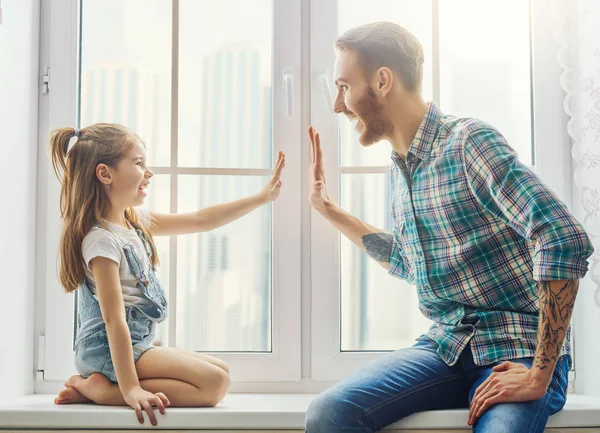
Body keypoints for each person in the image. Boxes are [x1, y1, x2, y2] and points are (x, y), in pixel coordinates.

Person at [305, 21, 593, 433]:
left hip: (518, 349)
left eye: (344, 86)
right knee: (329, 411)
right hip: (445, 348)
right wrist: (329, 210)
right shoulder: (401, 173)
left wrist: (539, 373)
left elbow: (561, 235)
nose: (337, 104)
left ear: (382, 81)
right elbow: (408, 262)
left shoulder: (467, 143)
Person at [48, 123, 285, 425]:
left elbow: (201, 220)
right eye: (138, 163)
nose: (149, 173)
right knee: (214, 386)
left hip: (135, 344)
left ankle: (105, 387)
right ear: (105, 173)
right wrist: (131, 389)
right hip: (106, 349)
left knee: (221, 371)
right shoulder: (101, 241)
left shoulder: (134, 223)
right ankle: (106, 391)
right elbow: (114, 320)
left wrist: (262, 198)